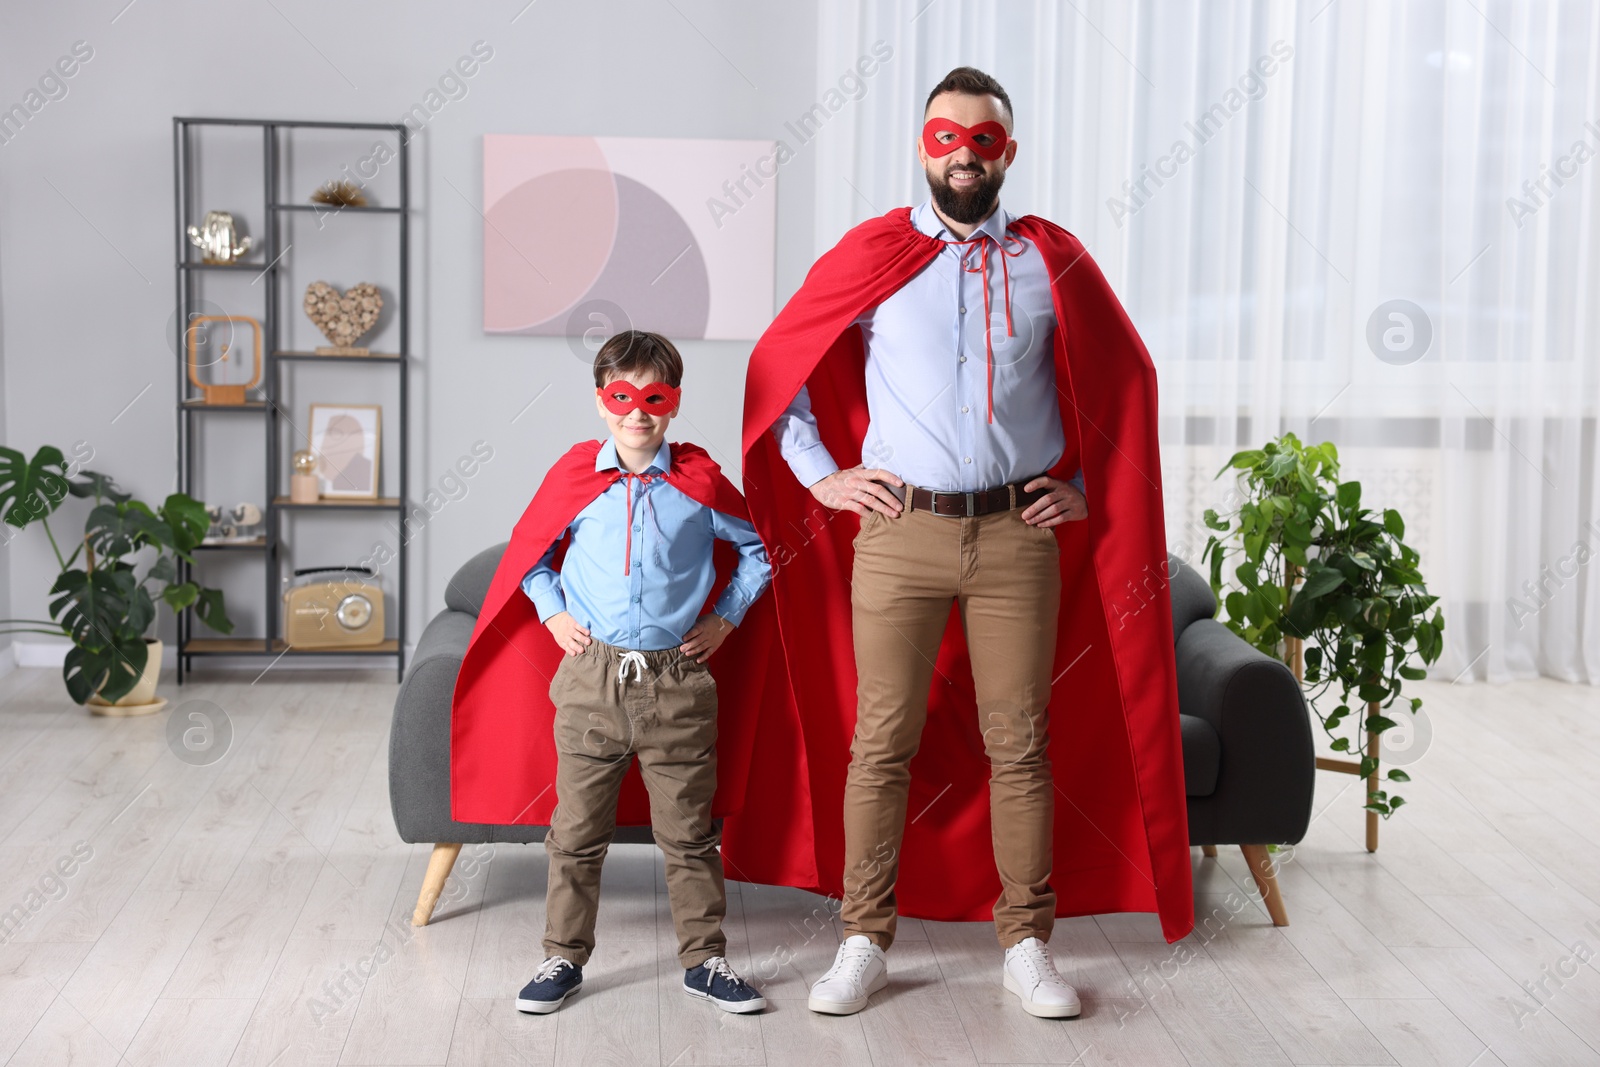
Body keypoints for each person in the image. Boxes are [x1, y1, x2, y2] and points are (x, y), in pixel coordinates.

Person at [726, 66, 1194, 1018]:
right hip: (900, 534)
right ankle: (863, 938)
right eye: (946, 137)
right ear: (923, 147)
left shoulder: (1050, 260)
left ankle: (1026, 942)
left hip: (1017, 537)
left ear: (1007, 153)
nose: (963, 155)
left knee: (1020, 744)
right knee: (880, 741)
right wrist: (825, 476)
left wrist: (1088, 484)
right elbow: (783, 368)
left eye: (983, 140)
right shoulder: (875, 254)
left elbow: (1124, 386)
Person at [479, 330, 773, 1015]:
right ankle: (561, 956)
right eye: (621, 395)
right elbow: (531, 554)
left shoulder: (698, 482)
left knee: (690, 833)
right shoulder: (575, 480)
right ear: (600, 401)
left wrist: (725, 618)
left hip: (677, 683)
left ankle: (705, 960)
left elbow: (759, 549)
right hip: (592, 678)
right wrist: (552, 613)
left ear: (673, 402)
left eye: (653, 396)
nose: (637, 412)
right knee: (577, 829)